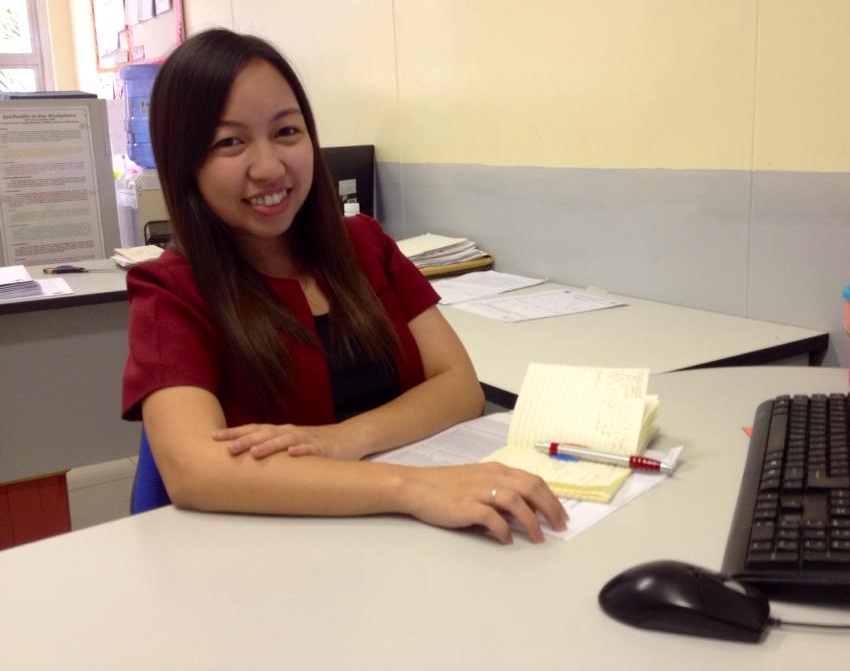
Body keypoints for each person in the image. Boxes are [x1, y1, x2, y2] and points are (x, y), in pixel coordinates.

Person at [121, 29, 567, 544]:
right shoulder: (171, 291)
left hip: (408, 538)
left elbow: (459, 386)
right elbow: (197, 470)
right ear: (185, 164)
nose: (269, 167)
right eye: (230, 142)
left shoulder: (364, 246)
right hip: (278, 554)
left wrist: (343, 440)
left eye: (287, 131)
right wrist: (412, 488)